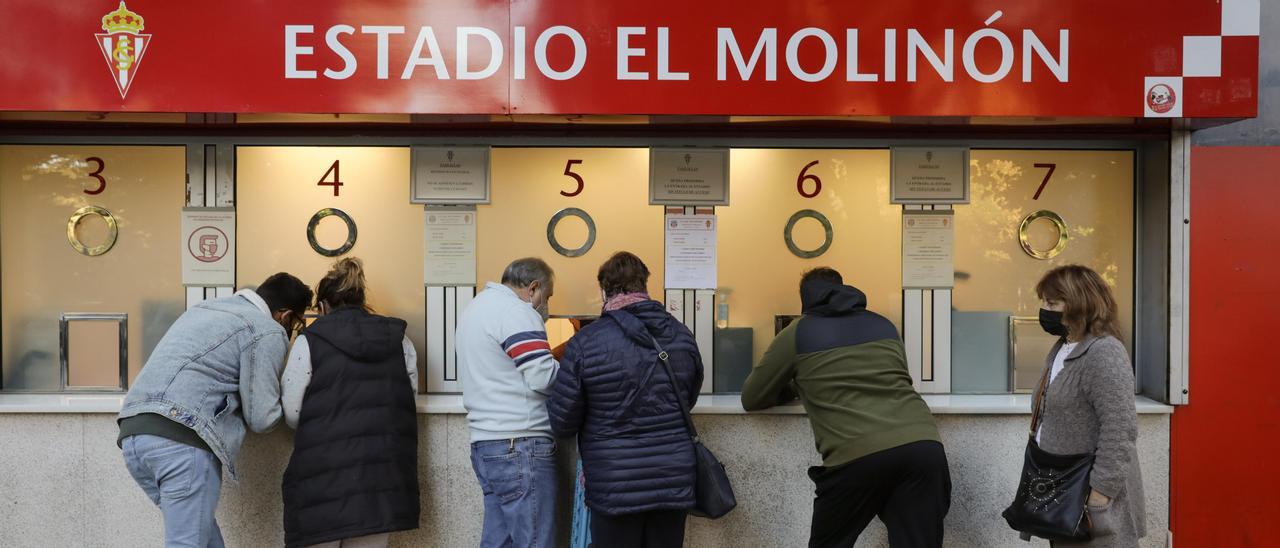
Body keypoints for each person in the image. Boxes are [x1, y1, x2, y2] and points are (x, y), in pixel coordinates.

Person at [741, 267, 950, 548]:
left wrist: (796, 386)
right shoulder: (883, 325)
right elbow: (895, 378)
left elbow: (752, 397)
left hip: (857, 453)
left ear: (806, 299)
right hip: (923, 447)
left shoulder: (798, 332)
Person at [118, 273, 312, 548]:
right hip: (181, 441)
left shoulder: (204, 309)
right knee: (187, 542)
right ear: (286, 315)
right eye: (297, 323)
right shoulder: (266, 329)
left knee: (204, 538)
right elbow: (262, 417)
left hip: (135, 437)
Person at [548, 251, 703, 548]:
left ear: (604, 290)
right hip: (672, 478)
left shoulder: (586, 342)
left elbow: (562, 422)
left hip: (614, 482)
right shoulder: (681, 335)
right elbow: (688, 398)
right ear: (645, 285)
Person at [280, 258, 420, 548]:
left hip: (323, 476)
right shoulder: (399, 340)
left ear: (322, 307)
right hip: (382, 475)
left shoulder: (310, 340)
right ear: (362, 300)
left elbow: (293, 412)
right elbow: (408, 398)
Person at [1032, 265, 1145, 547]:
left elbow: (1120, 429)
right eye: (1044, 302)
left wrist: (1100, 496)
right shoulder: (1061, 348)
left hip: (1089, 500)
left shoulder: (1105, 352)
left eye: (1052, 303)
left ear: (1079, 303)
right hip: (1062, 493)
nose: (1045, 310)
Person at [455, 257, 560, 548]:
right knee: (535, 541)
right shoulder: (517, 311)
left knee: (498, 542)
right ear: (533, 288)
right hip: (520, 444)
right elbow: (542, 376)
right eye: (547, 297)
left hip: (485, 444)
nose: (546, 306)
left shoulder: (474, 309)